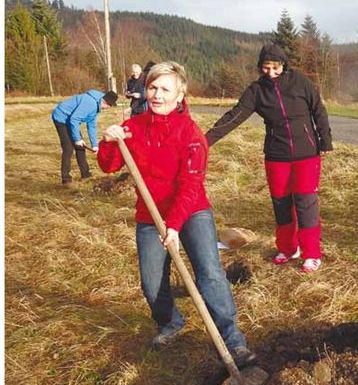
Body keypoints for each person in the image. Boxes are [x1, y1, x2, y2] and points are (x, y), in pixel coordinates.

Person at [98, 62, 255, 365]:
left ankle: (232, 340)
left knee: (210, 273)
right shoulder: (133, 127)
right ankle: (171, 323)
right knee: (151, 281)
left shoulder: (191, 134)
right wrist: (109, 141)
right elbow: (109, 166)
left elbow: (191, 184)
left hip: (191, 210)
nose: (156, 94)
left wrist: (173, 226)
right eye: (152, 87)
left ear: (180, 95)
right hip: (149, 214)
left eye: (164, 89)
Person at [205, 43, 333, 273]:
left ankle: (311, 254)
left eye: (275, 67)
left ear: (283, 65)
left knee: (305, 204)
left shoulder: (300, 82)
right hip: (276, 155)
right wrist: (205, 141)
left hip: (307, 154)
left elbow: (319, 110)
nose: (271, 73)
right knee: (281, 204)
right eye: (266, 67)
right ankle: (287, 248)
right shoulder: (257, 90)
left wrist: (325, 140)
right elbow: (234, 116)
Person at [51, 86, 118, 184]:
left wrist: (94, 145)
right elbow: (74, 119)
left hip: (70, 120)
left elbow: (91, 125)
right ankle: (66, 178)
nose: (109, 108)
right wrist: (77, 138)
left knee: (80, 147)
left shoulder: (96, 105)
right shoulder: (90, 103)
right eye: (110, 106)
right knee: (68, 148)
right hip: (61, 117)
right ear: (105, 102)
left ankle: (85, 174)